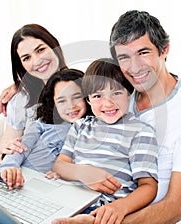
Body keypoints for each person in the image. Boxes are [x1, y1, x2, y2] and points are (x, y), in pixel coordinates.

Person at [52, 10, 181, 224]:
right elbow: (71, 86)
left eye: (143, 52)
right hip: (92, 207)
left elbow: (175, 208)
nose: (135, 67)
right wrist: (20, 89)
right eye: (124, 57)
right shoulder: (118, 94)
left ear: (164, 49)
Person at [0, 69, 91, 224]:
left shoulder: (92, 129)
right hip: (2, 170)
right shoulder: (42, 124)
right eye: (61, 100)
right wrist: (9, 166)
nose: (70, 106)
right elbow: (20, 148)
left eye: (77, 97)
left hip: (30, 186)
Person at [51, 58, 158, 224]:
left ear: (129, 94)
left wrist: (121, 207)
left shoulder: (140, 131)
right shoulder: (81, 126)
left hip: (108, 207)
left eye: (116, 93)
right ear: (88, 100)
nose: (108, 103)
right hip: (72, 199)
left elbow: (148, 186)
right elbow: (60, 165)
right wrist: (82, 172)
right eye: (97, 96)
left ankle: (87, 219)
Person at [0, 23, 67, 163]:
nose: (37, 61)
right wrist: (5, 153)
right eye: (26, 58)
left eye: (41, 50)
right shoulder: (21, 99)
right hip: (12, 172)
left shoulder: (85, 88)